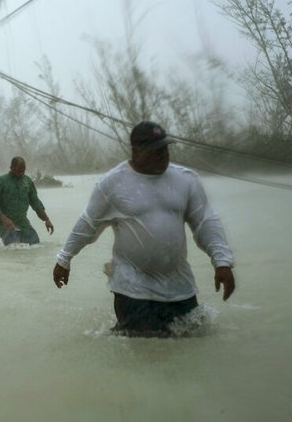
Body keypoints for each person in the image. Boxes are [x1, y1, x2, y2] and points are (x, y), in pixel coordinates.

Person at [52, 121, 236, 337]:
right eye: (155, 150)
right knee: (143, 354)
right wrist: (64, 259)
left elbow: (206, 222)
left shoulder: (185, 179)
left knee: (191, 347)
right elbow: (87, 225)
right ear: (136, 150)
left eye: (165, 148)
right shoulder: (112, 183)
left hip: (179, 286)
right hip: (132, 289)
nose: (162, 154)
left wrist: (222, 262)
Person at [0, 156, 54, 245]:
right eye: (18, 171)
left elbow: (35, 202)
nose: (21, 174)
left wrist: (46, 219)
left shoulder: (27, 182)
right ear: (11, 168)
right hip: (3, 222)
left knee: (35, 243)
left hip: (22, 221)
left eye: (23, 171)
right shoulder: (0, 182)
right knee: (15, 247)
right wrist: (4, 219)